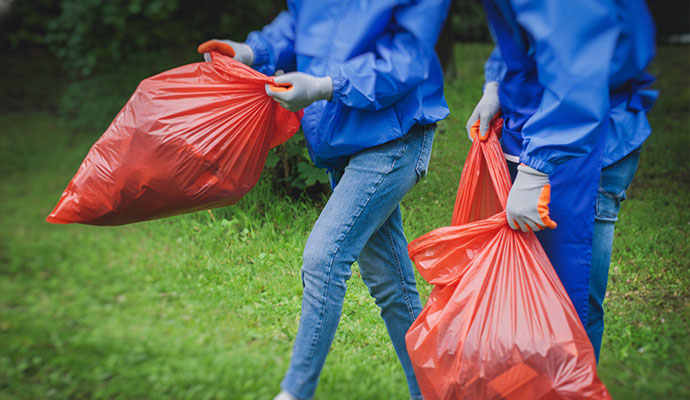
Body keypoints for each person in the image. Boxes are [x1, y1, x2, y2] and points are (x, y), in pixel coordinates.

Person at [203, 1, 451, 399]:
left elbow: (405, 61)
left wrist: (324, 85)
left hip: (393, 134)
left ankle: (294, 392)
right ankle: (438, 392)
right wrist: (252, 51)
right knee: (391, 285)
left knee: (324, 257)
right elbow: (301, 24)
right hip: (343, 137)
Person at [466, 0, 658, 362]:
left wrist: (538, 165)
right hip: (539, 123)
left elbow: (580, 56)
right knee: (528, 299)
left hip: (583, 136)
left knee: (569, 307)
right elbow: (527, 30)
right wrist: (496, 81)